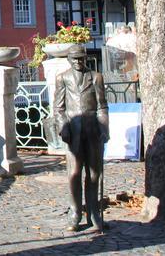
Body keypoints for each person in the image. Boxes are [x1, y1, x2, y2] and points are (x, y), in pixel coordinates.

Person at [53, 43, 110, 232]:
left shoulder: (96, 77)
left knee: (94, 174)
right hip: (73, 132)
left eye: (81, 58)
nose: (78, 61)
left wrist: (104, 128)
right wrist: (63, 127)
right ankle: (75, 211)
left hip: (93, 130)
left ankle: (93, 212)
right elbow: (59, 108)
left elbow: (102, 106)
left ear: (86, 58)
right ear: (69, 59)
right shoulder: (63, 78)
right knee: (74, 174)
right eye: (74, 58)